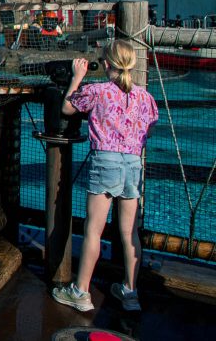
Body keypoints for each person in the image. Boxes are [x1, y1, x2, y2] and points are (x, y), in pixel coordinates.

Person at [51, 40, 159, 313]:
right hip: (134, 164)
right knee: (129, 232)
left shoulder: (98, 91)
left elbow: (67, 108)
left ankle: (81, 292)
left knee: (93, 230)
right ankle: (130, 292)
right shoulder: (145, 97)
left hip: (105, 161)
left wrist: (77, 77)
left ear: (107, 64)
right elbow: (149, 126)